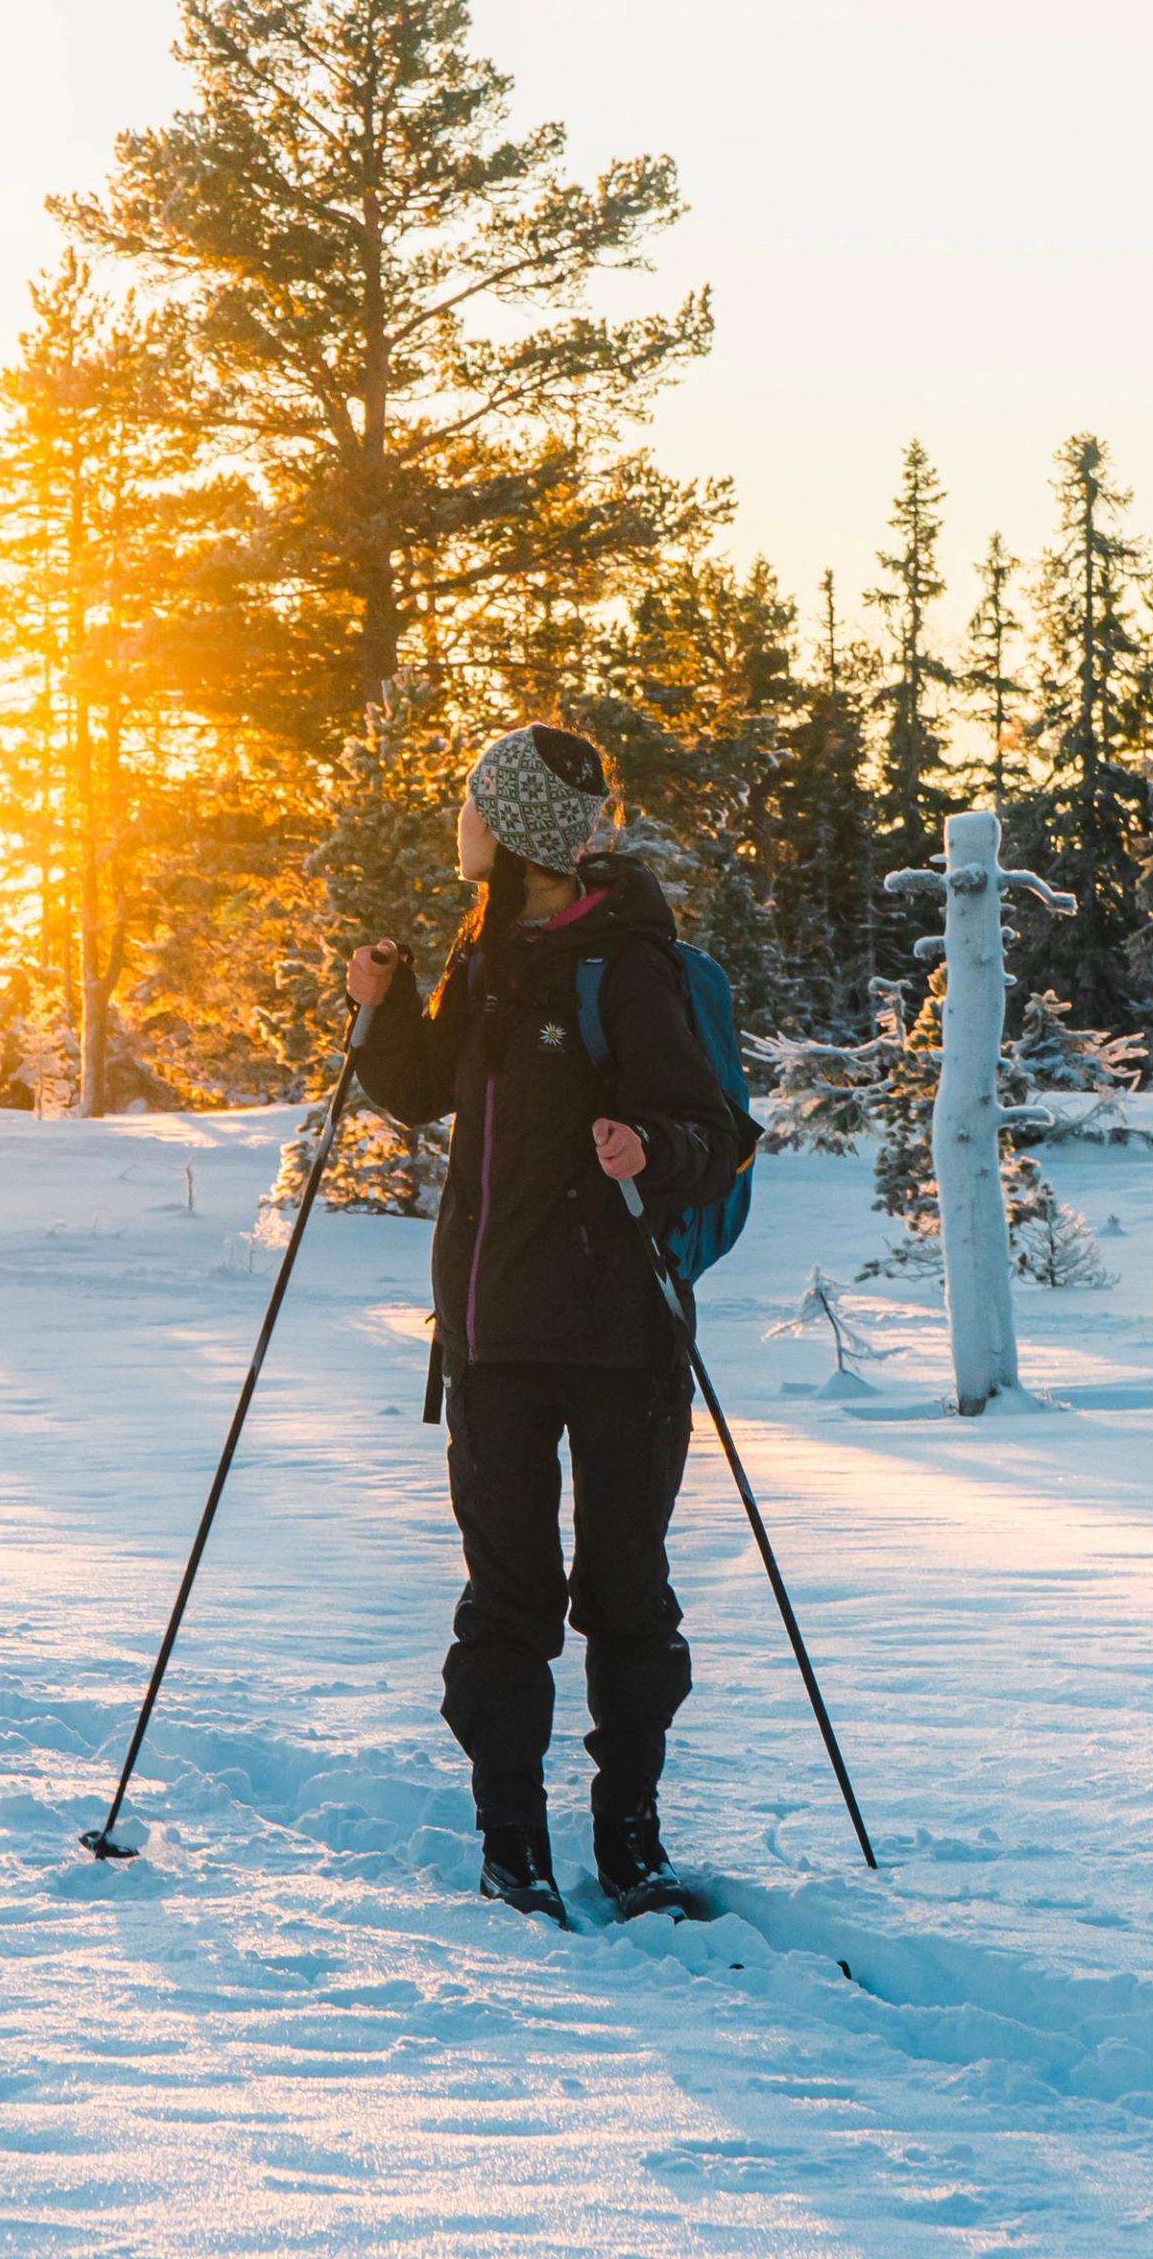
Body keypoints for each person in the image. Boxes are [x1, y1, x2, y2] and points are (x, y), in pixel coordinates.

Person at [344, 723, 756, 1926]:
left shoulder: (626, 964)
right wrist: (377, 1011)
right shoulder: (485, 958)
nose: (456, 824)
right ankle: (510, 1841)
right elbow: (427, 1092)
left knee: (628, 1591)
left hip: (620, 1333)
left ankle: (629, 1840)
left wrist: (652, 1147)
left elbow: (710, 1133)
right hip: (493, 1337)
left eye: (472, 806)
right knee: (506, 1596)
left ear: (511, 830)